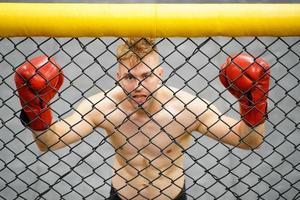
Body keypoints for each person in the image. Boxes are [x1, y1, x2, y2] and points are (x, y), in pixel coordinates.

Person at [14, 38, 270, 200]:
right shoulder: (102, 106)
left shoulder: (187, 108)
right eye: (129, 77)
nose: (138, 85)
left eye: (146, 76)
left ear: (159, 74)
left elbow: (248, 141)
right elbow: (49, 142)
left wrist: (251, 103)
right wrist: (36, 106)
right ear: (117, 75)